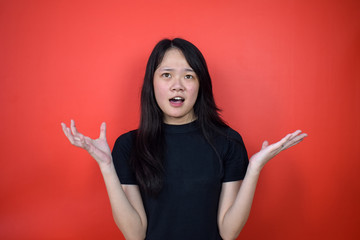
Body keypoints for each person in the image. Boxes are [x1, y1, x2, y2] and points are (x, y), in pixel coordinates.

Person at [61, 38, 307, 240]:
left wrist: (254, 169)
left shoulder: (228, 142)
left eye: (188, 76)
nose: (177, 85)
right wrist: (107, 167)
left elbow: (229, 232)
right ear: (152, 83)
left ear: (200, 85)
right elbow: (135, 234)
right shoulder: (128, 146)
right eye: (166, 75)